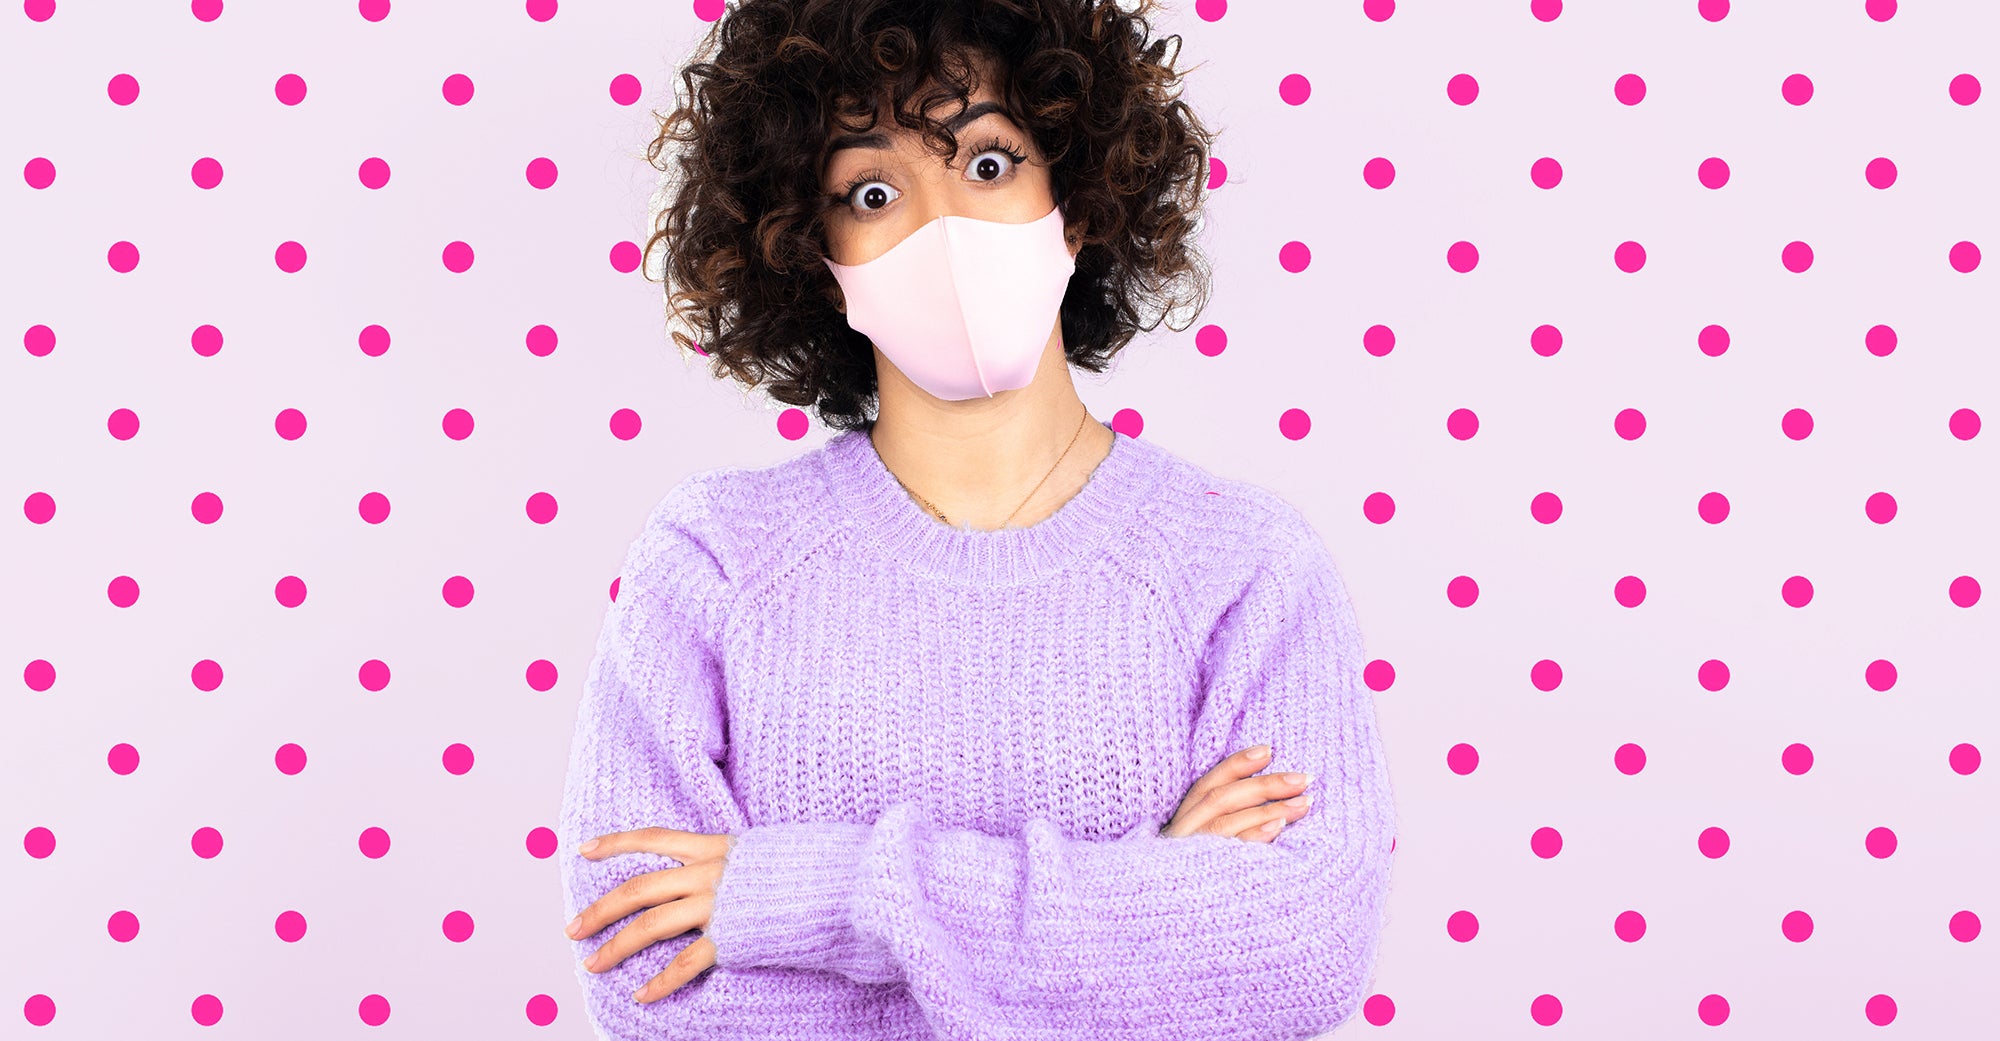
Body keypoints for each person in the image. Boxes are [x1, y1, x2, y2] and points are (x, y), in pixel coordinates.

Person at [557, 2, 1396, 1038]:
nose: (940, 227)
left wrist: (820, 895)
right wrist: (1141, 897)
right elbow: (647, 988)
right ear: (816, 254)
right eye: (871, 191)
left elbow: (1292, 956)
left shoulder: (1243, 566)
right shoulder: (712, 562)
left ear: (1076, 201)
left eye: (988, 165)